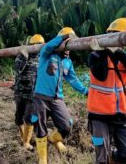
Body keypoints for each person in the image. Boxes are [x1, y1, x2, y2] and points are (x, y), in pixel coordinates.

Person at [87, 18, 126, 164]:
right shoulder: (95, 55)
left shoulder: (124, 56)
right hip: (100, 114)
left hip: (122, 113)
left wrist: (118, 53)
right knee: (102, 159)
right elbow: (101, 75)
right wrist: (103, 53)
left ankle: (114, 158)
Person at [33, 27, 88, 164]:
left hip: (57, 98)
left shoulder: (67, 62)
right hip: (41, 97)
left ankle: (53, 139)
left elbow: (73, 79)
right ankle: (43, 159)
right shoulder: (46, 54)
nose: (68, 49)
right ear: (60, 44)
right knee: (40, 127)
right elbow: (49, 45)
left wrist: (86, 91)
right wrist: (65, 37)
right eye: (67, 45)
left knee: (66, 126)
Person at [14, 34, 45, 151]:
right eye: (34, 45)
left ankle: (26, 142)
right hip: (20, 92)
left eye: (39, 45)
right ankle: (23, 139)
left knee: (29, 117)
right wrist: (24, 57)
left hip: (33, 93)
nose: (36, 47)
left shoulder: (42, 58)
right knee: (18, 118)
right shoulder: (21, 56)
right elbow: (18, 69)